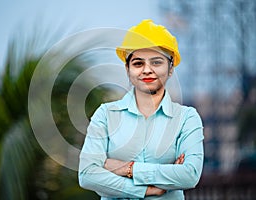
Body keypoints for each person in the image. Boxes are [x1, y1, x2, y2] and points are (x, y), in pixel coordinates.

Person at [78, 19, 204, 200]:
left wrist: (127, 169)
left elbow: (190, 175)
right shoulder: (105, 115)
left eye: (156, 62)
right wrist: (148, 189)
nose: (147, 70)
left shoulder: (186, 118)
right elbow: (87, 175)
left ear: (170, 69)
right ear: (127, 69)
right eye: (138, 63)